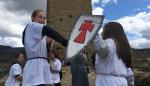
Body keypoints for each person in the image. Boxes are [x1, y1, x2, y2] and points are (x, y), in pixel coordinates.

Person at [22, 10, 67, 86]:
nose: (42, 20)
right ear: (33, 18)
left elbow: (45, 53)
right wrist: (65, 42)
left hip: (42, 66)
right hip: (35, 67)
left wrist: (48, 44)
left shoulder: (38, 34)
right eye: (40, 17)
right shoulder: (32, 25)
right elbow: (46, 29)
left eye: (44, 18)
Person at [92, 22, 134, 86]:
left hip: (108, 83)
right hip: (123, 82)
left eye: (103, 30)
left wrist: (92, 32)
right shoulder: (123, 48)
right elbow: (129, 72)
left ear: (108, 32)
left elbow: (103, 50)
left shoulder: (110, 42)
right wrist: (131, 83)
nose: (102, 33)